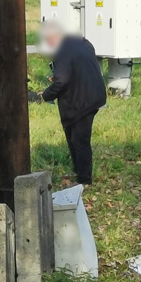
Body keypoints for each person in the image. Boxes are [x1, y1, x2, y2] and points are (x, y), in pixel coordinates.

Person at [39, 20, 107, 185]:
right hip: (92, 95)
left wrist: (46, 95)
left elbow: (61, 81)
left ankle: (84, 180)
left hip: (83, 101)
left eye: (48, 40)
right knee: (74, 136)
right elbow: (77, 69)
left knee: (79, 140)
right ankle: (79, 172)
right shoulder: (83, 43)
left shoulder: (64, 50)